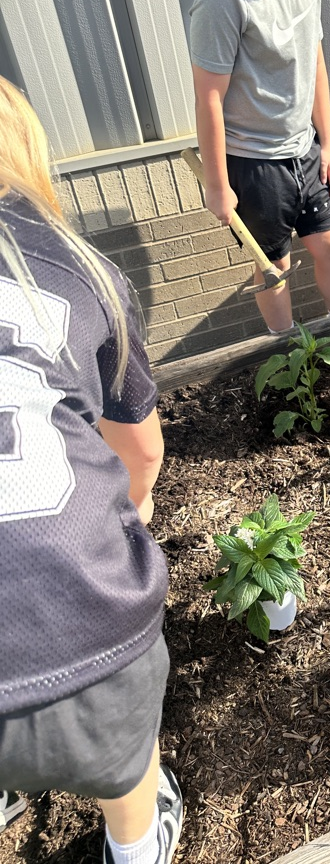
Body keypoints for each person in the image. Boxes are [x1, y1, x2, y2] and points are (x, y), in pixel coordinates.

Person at [0, 76, 182, 864]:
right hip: (88, 620)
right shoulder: (73, 266)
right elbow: (142, 450)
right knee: (125, 756)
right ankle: (135, 843)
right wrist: (128, 514)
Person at [190, 0, 330, 336]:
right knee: (273, 269)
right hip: (255, 163)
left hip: (304, 148)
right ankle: (286, 356)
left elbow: (314, 55)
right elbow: (210, 100)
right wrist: (218, 185)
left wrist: (328, 141)